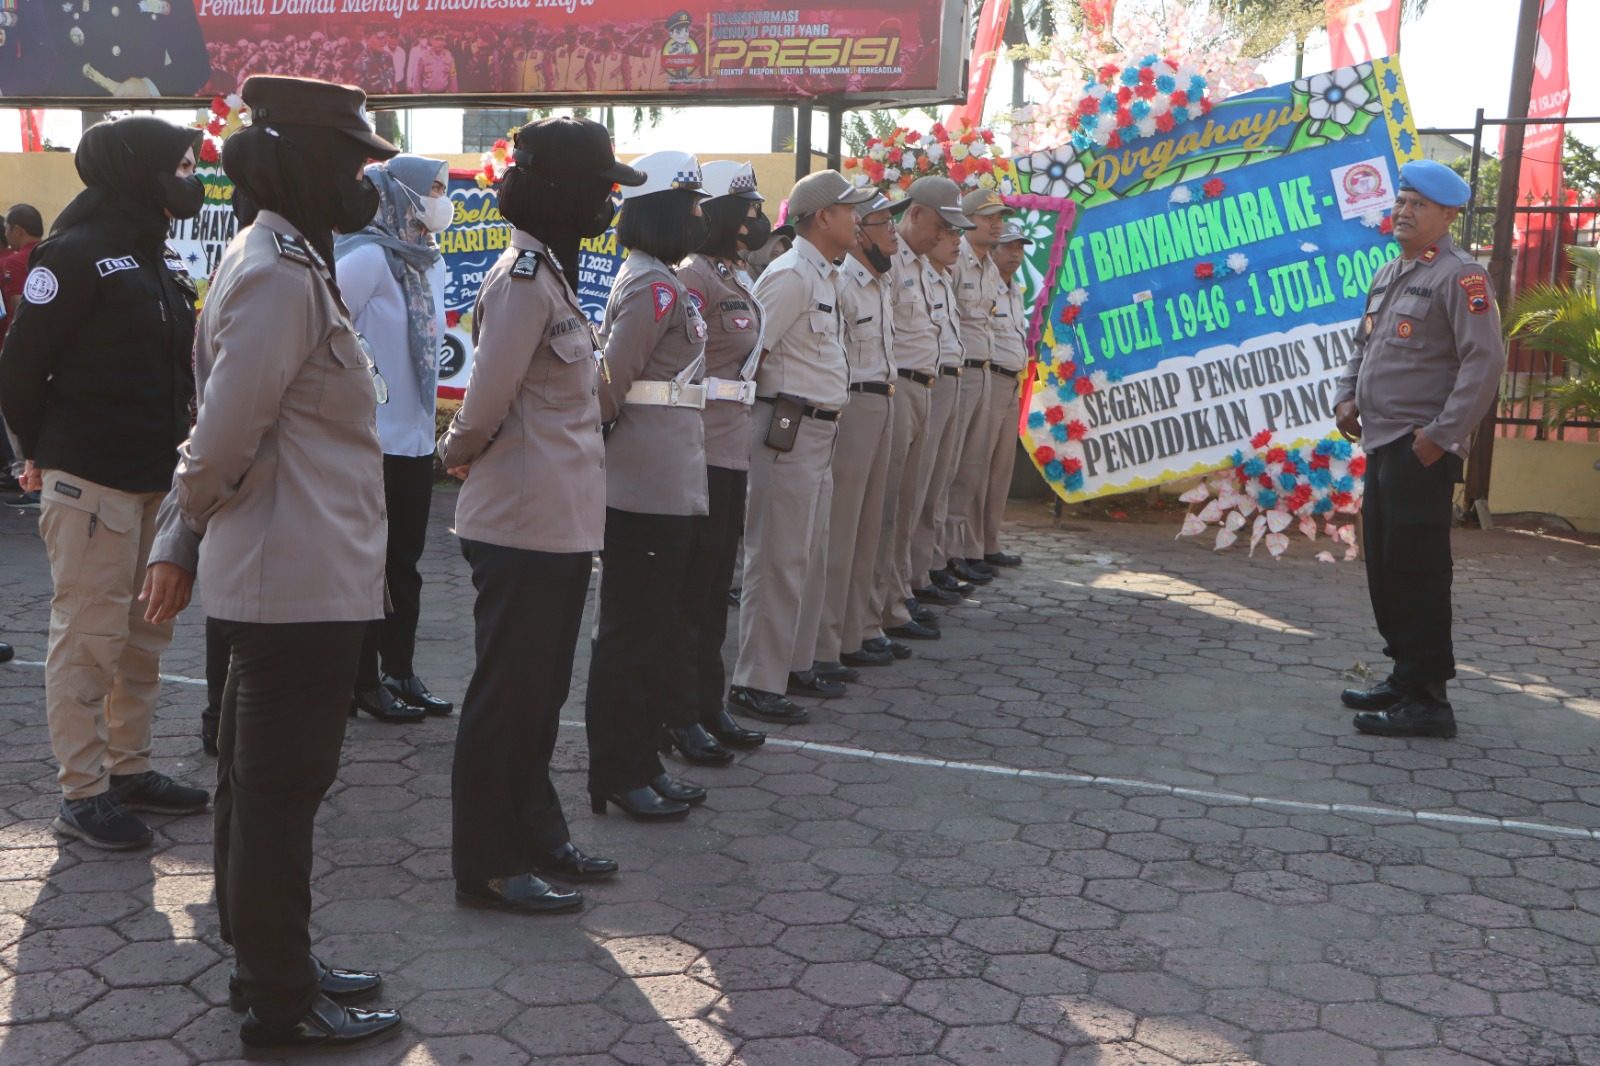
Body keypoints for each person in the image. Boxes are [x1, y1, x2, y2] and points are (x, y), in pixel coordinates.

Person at [144, 75, 404, 1055]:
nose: (362, 179)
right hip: (292, 580)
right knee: (278, 791)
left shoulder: (287, 258)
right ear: (298, 159)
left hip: (300, 571)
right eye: (348, 160)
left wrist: (183, 532)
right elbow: (218, 439)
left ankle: (270, 960)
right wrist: (181, 533)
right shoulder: (276, 272)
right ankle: (280, 994)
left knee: (260, 791)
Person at [438, 118, 641, 909]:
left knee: (542, 694)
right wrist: (457, 453)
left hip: (557, 520)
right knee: (508, 699)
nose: (608, 200)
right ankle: (488, 862)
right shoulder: (522, 279)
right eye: (598, 185)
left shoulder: (550, 275)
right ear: (555, 189)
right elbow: (485, 400)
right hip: (519, 522)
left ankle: (537, 834)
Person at [0, 116, 210, 852]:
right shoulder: (76, 252)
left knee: (144, 640)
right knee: (88, 640)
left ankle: (129, 770)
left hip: (157, 478)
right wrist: (36, 453)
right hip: (89, 481)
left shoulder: (151, 253)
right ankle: (82, 790)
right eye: (179, 165)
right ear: (134, 169)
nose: (191, 176)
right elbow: (22, 368)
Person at [1334, 159, 1506, 740]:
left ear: (1448, 215)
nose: (1404, 212)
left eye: (1418, 205)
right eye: (1402, 201)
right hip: (1382, 441)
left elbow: (1485, 363)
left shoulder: (1462, 277)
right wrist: (1345, 397)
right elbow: (1364, 346)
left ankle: (1430, 700)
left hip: (1420, 448)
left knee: (1419, 570)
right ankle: (1404, 676)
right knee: (1385, 566)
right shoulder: (1389, 273)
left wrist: (1442, 437)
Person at [585, 150, 713, 820]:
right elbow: (609, 386)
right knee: (631, 632)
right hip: (641, 485)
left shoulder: (662, 280)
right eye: (690, 202)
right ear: (663, 208)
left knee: (655, 628)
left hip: (668, 479)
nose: (700, 215)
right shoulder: (650, 286)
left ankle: (641, 761)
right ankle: (617, 768)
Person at [727, 170, 874, 724]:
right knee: (778, 557)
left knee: (807, 554)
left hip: (818, 428)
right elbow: (751, 355)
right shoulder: (790, 276)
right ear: (821, 217)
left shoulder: (826, 275)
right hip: (786, 428)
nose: (857, 218)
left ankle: (791, 663)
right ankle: (754, 681)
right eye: (849, 209)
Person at [336, 155, 454, 725]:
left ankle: (399, 671)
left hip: (413, 441)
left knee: (405, 563)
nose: (440, 198)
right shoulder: (366, 258)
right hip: (368, 442)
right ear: (401, 194)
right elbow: (327, 334)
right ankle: (360, 681)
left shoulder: (427, 260)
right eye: (432, 188)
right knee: (367, 567)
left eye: (443, 188)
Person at [668, 160, 771, 764]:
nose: (756, 218)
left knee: (713, 590)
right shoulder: (694, 278)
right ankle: (678, 714)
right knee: (693, 590)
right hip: (700, 445)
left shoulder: (737, 273)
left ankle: (709, 703)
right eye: (749, 209)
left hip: (733, 446)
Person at [865, 177, 969, 651]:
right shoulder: (885, 262)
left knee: (911, 503)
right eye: (941, 225)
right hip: (895, 389)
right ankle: (875, 610)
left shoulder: (928, 268)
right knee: (888, 508)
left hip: (923, 387)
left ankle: (894, 597)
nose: (946, 236)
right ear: (915, 214)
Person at [815, 192, 904, 676]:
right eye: (882, 222)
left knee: (870, 526)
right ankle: (825, 644)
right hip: (852, 405)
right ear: (860, 231)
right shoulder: (844, 281)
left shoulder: (878, 280)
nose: (893, 231)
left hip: (882, 400)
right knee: (841, 530)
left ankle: (856, 631)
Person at [942, 189, 1012, 585]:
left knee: (972, 468)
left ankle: (957, 551)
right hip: (960, 372)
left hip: (983, 370)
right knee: (952, 468)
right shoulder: (956, 261)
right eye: (989, 217)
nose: (997, 223)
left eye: (1000, 216)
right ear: (968, 221)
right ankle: (943, 557)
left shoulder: (987, 265)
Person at [979, 219, 1033, 570]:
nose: (1016, 253)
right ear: (992, 250)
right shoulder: (985, 285)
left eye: (1020, 248)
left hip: (1011, 382)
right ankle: (966, 548)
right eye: (1009, 247)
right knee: (977, 467)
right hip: (989, 380)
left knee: (1000, 470)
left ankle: (989, 542)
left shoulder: (1015, 289)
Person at [20, 0, 211, 96]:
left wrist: (149, 86)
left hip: (143, 123)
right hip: (73, 120)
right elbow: (40, 58)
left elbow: (196, 66)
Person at [1, 204, 44, 502]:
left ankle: (23, 474)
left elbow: (16, 306)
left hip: (22, 349)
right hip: (54, 349)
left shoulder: (15, 262)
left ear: (18, 229)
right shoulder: (57, 252)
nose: (6, 236)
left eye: (8, 230)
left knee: (16, 411)